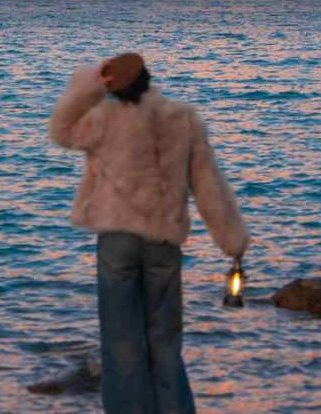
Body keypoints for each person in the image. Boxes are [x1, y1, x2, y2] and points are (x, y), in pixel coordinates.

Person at [49, 52, 249, 414]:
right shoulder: (182, 118)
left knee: (121, 345)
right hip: (163, 241)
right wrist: (233, 243)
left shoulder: (103, 119)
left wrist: (91, 84)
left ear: (115, 87)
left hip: (117, 242)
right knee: (166, 345)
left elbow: (60, 130)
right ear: (147, 78)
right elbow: (209, 187)